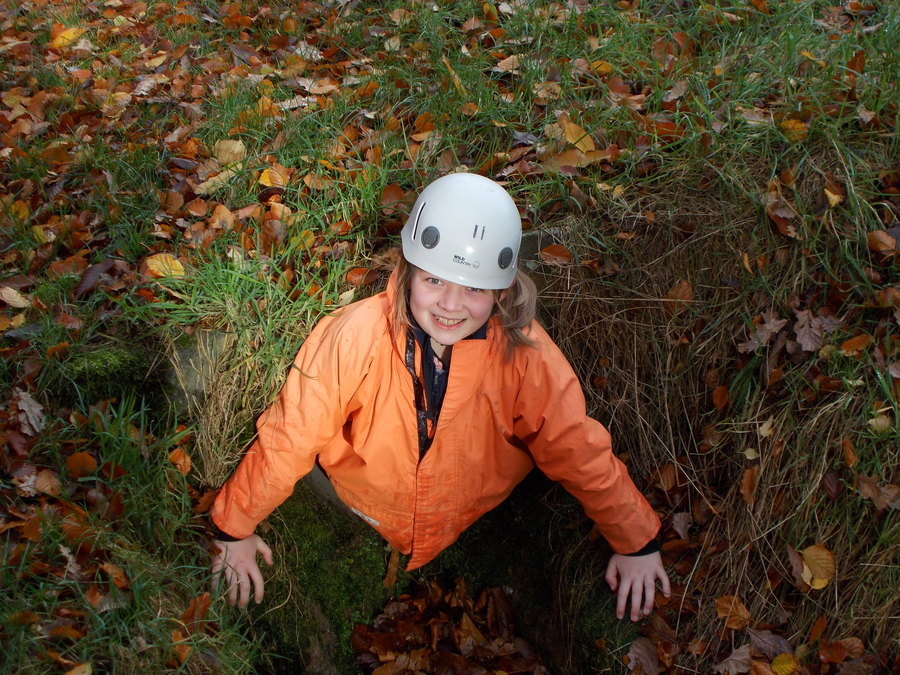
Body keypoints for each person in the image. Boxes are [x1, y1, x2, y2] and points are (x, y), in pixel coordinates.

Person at [209, 173, 670, 622]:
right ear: (408, 271)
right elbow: (292, 433)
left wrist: (636, 542)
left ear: (502, 289)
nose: (450, 305)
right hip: (362, 505)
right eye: (434, 281)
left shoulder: (525, 355)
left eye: (473, 287)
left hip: (470, 509)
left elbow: (575, 446)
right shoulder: (356, 335)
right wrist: (234, 527)